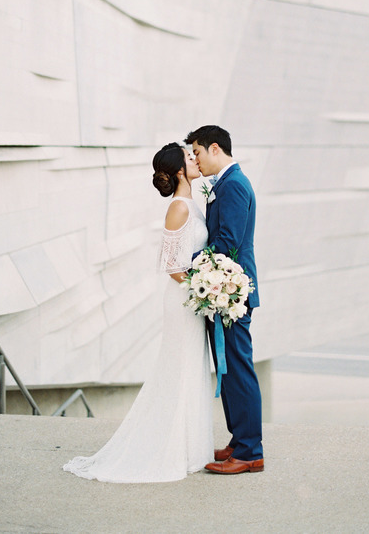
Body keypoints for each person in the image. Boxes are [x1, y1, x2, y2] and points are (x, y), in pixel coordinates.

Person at [62, 143, 213, 483]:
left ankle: (190, 447)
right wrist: (207, 289)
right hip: (183, 301)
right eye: (189, 158)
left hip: (192, 298)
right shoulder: (178, 208)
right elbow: (171, 265)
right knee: (180, 367)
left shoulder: (192, 203)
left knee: (192, 367)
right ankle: (172, 448)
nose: (195, 159)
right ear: (178, 171)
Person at [186, 125, 263, 474]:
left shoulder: (232, 185)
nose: (195, 160)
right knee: (228, 369)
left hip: (232, 292)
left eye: (197, 152)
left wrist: (190, 265)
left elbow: (227, 244)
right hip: (225, 291)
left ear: (214, 148)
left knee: (239, 369)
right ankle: (239, 440)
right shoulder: (228, 182)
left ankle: (249, 451)